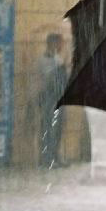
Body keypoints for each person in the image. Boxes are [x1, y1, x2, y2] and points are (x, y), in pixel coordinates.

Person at [35, 33, 68, 169]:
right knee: (48, 128)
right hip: (48, 98)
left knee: (58, 128)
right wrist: (61, 68)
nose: (61, 46)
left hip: (59, 97)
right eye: (59, 43)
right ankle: (46, 158)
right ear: (52, 44)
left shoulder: (57, 58)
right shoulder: (43, 60)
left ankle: (55, 155)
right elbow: (47, 77)